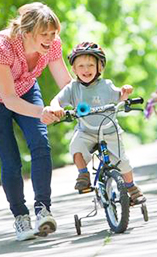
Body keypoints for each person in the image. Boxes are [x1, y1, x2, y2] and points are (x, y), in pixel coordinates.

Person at [0, 2, 73, 241]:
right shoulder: (0, 47)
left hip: (26, 89)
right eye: (44, 34)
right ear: (27, 33)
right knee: (11, 160)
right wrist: (41, 112)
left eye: (53, 33)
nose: (50, 39)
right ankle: (20, 217)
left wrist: (81, 102)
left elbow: (66, 84)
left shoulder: (52, 45)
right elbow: (9, 99)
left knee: (40, 144)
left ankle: (43, 210)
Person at [49, 42, 146, 205]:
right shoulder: (72, 88)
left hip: (109, 130)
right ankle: (83, 174)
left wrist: (125, 93)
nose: (86, 69)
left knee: (123, 162)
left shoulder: (106, 85)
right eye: (81, 66)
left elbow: (119, 96)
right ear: (74, 69)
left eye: (90, 65)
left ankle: (131, 187)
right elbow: (56, 100)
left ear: (99, 67)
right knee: (76, 147)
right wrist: (56, 107)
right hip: (86, 131)